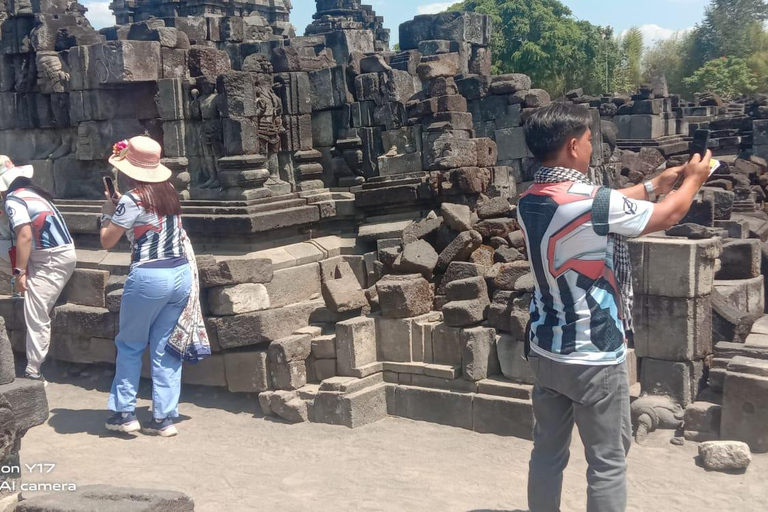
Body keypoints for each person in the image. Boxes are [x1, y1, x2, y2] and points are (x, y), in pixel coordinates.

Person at [517, 103, 712, 512]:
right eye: (589, 142)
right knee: (606, 463)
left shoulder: (531, 199)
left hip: (546, 346)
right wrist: (693, 181)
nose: (591, 149)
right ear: (573, 146)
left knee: (547, 453)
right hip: (592, 354)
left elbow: (596, 206)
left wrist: (654, 183)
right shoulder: (592, 203)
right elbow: (668, 215)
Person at [100, 136, 204, 437]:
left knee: (130, 344)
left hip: (149, 276)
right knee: (164, 348)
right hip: (179, 274)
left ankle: (124, 413)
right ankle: (164, 417)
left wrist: (108, 210)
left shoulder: (132, 200)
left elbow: (107, 240)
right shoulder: (170, 192)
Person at [0, 156, 76, 385]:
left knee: (35, 313)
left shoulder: (13, 200)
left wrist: (20, 273)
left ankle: (34, 371)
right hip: (48, 254)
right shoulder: (31, 193)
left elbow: (24, 236)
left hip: (52, 260)